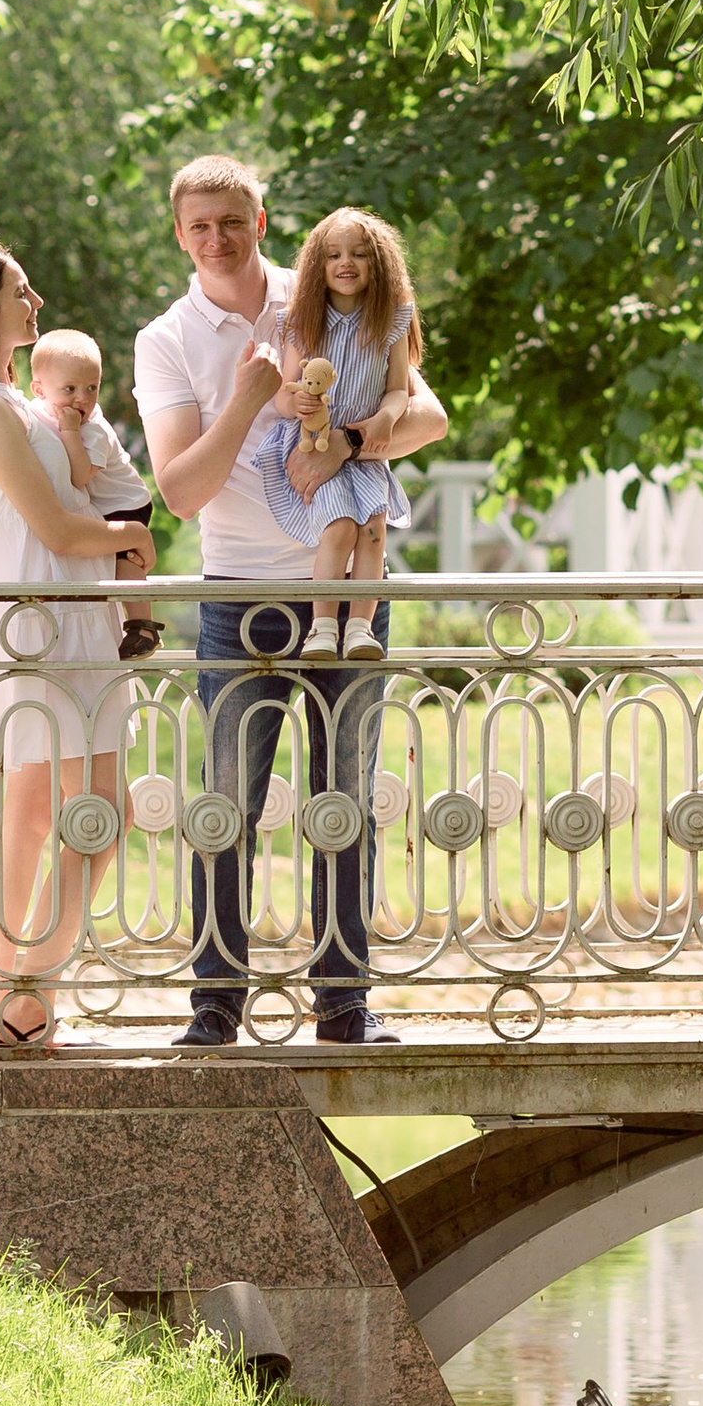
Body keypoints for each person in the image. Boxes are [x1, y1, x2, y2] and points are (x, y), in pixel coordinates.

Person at [133, 154, 449, 1049]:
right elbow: (179, 494)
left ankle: (344, 1005)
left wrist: (348, 441)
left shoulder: (324, 293)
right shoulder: (166, 339)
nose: (217, 238)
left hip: (347, 596)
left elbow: (427, 417)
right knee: (228, 803)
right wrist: (247, 400)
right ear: (180, 234)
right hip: (239, 594)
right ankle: (215, 1006)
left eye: (232, 221)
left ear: (260, 223)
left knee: (344, 797)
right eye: (200, 225)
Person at [0, 248, 150, 1051]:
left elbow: (77, 494)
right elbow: (52, 527)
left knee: (64, 814)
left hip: (68, 619)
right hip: (34, 625)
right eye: (21, 292)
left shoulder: (20, 400)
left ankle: (8, 999)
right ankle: (11, 999)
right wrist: (129, 538)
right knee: (72, 814)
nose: (37, 299)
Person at [247, 208, 422, 663]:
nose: (346, 263)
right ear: (317, 265)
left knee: (374, 530)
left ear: (378, 263)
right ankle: (322, 627)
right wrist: (298, 405)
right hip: (315, 444)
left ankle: (360, 628)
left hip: (363, 448)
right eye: (333, 255)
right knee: (340, 526)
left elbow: (399, 388)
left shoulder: (391, 320)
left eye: (359, 254)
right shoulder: (302, 321)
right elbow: (284, 393)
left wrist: (386, 418)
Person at [28, 327, 161, 659]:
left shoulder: (93, 429)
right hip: (105, 505)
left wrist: (70, 431)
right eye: (69, 389)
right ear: (39, 390)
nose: (82, 399)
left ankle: (143, 627)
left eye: (92, 388)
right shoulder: (38, 413)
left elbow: (80, 475)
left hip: (126, 502)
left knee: (125, 560)